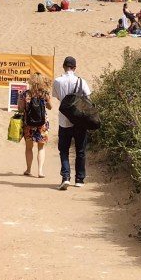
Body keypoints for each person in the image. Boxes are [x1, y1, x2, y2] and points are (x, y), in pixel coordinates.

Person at [52, 56, 90, 190]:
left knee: (63, 150)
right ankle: (79, 179)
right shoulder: (81, 81)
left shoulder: (57, 81)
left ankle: (65, 177)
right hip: (79, 121)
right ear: (74, 67)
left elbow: (57, 97)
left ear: (63, 66)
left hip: (64, 120)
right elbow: (87, 97)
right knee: (80, 150)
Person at [18, 72, 53, 178]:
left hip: (29, 124)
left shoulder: (26, 94)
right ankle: (40, 171)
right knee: (41, 148)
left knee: (29, 148)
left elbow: (20, 109)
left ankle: (28, 170)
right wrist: (46, 102)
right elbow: (50, 107)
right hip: (42, 125)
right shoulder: (45, 94)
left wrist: (20, 99)